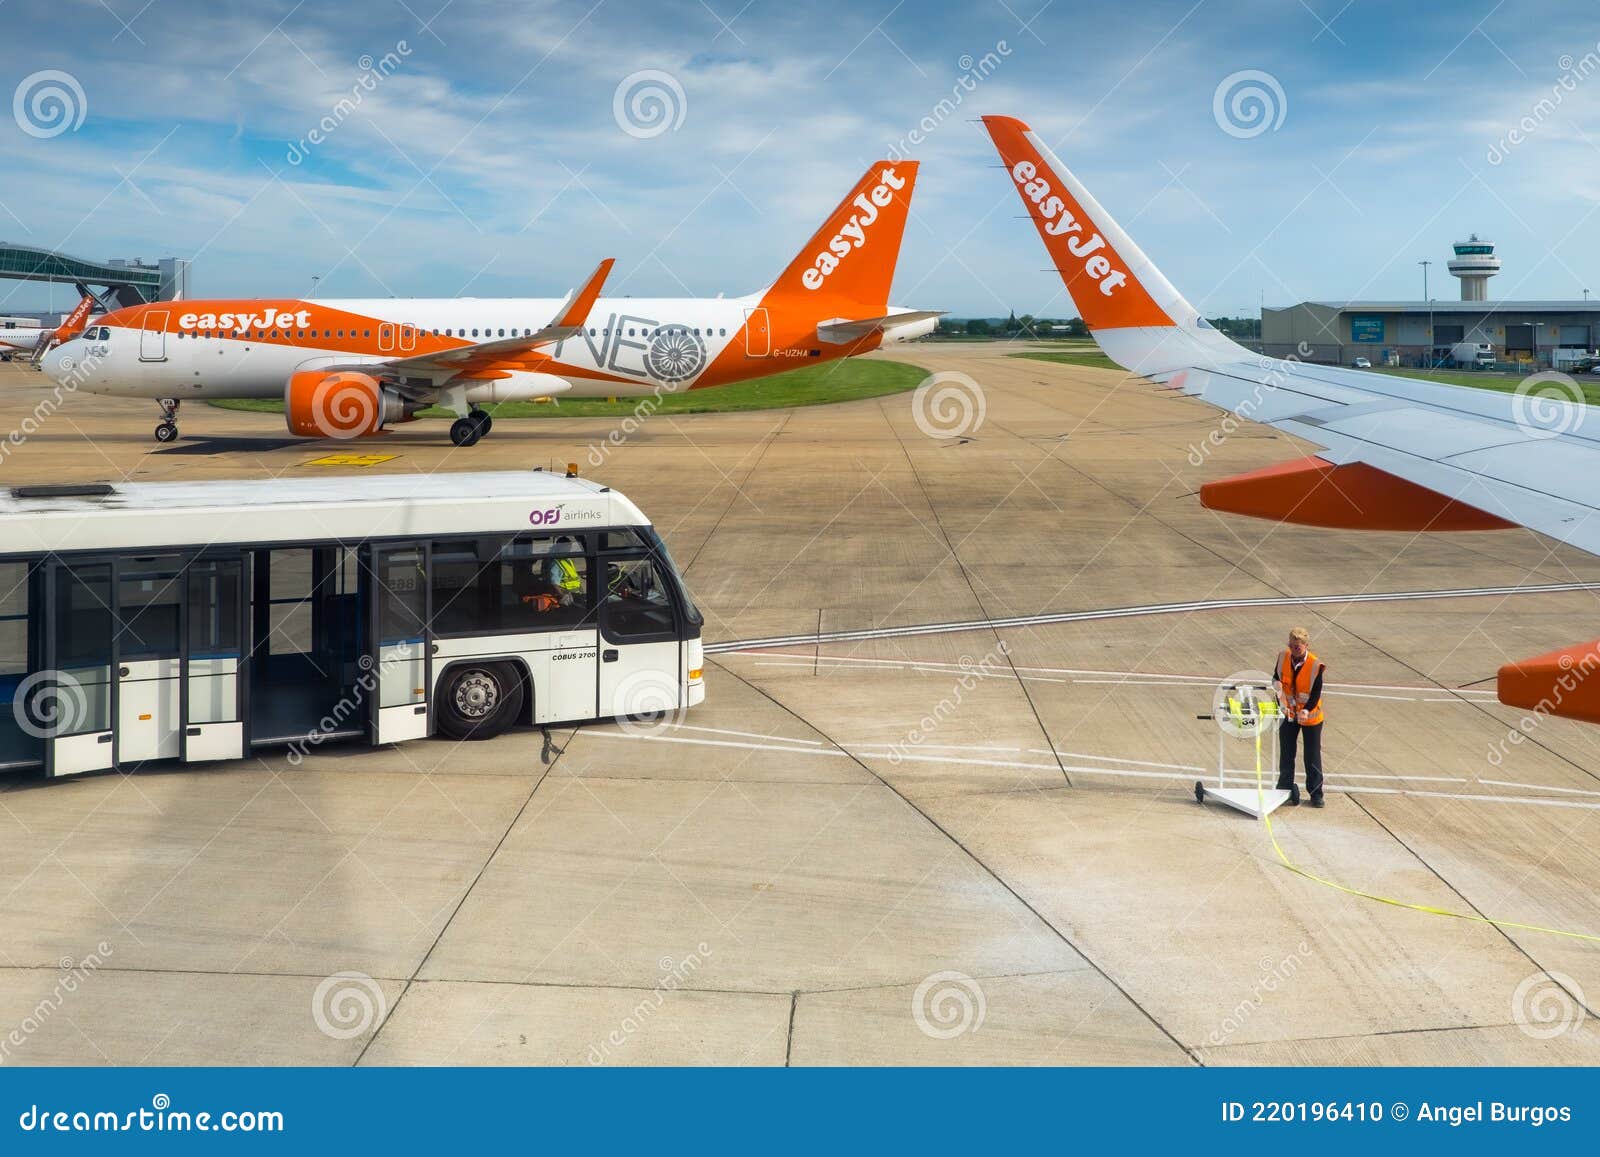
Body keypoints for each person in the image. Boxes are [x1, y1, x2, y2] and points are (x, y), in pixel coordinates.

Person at [1273, 626, 1326, 807]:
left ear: (1306, 645)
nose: (1294, 650)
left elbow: (1316, 692)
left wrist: (1306, 710)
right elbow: (1276, 677)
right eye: (1292, 646)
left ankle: (1316, 793)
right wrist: (1277, 687)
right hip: (1288, 713)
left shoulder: (1315, 665)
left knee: (1312, 756)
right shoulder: (1283, 657)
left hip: (1309, 716)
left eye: (1298, 647)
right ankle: (1284, 789)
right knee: (1287, 753)